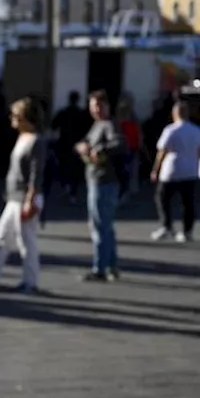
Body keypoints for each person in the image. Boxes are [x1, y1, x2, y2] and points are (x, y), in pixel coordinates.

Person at [0, 98, 47, 293]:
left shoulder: (36, 141)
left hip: (25, 197)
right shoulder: (22, 137)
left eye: (16, 115)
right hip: (14, 197)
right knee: (1, 236)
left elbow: (37, 173)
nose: (12, 119)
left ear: (26, 118)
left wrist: (30, 199)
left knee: (26, 241)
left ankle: (30, 281)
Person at [78, 90, 125, 282]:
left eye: (99, 105)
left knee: (99, 226)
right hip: (96, 179)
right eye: (92, 106)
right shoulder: (97, 125)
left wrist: (99, 150)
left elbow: (120, 144)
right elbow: (86, 142)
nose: (95, 109)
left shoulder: (109, 125)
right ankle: (111, 265)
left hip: (103, 180)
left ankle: (100, 268)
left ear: (107, 106)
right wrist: (83, 146)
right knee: (106, 225)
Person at [149, 101, 199, 243]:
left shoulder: (171, 130)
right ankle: (187, 231)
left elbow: (162, 151)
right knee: (188, 202)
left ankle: (167, 225)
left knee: (163, 198)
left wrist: (155, 169)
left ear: (175, 113)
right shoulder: (196, 130)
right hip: (190, 170)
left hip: (172, 170)